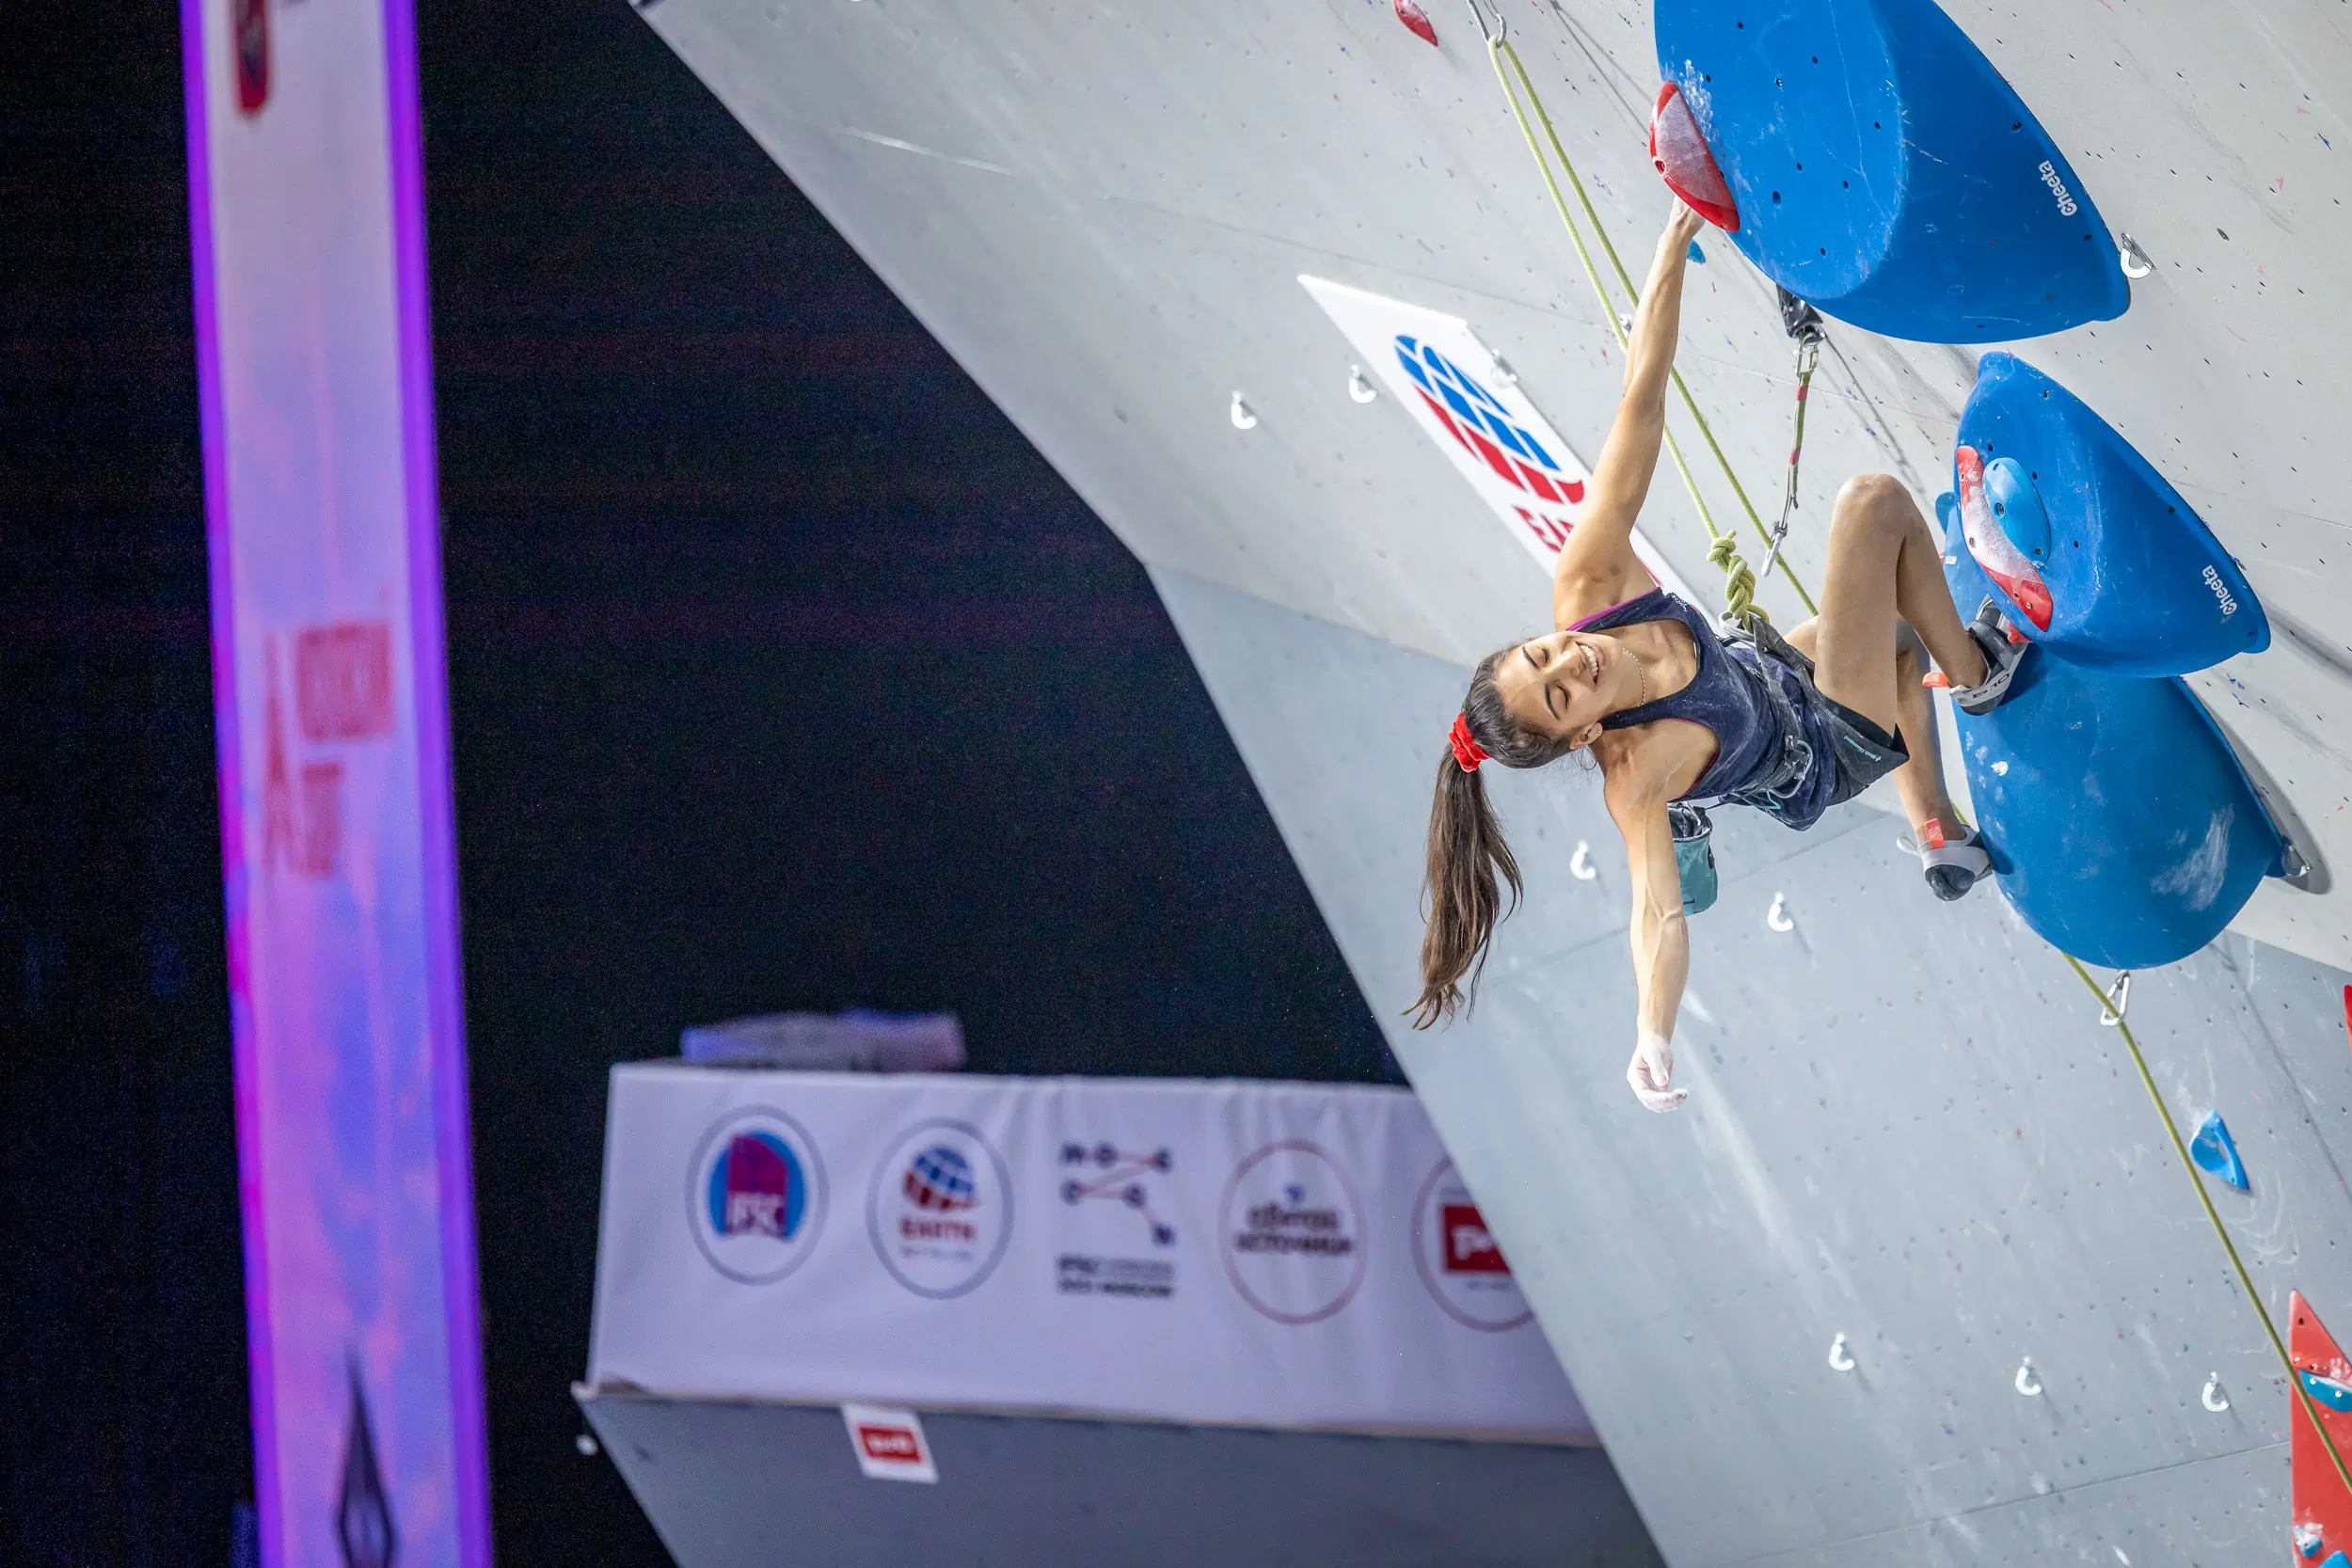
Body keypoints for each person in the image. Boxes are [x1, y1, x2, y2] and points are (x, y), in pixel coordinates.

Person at [1410, 199, 2028, 1112]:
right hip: (1817, 750)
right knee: (1873, 508)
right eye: (1561, 695)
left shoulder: (1589, 584)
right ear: (1580, 737)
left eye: (1544, 653)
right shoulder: (1634, 773)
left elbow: (1641, 401)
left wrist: (1671, 240)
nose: (1572, 663)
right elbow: (1656, 914)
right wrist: (1651, 1037)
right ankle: (1981, 674)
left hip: (1769, 676)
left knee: (1897, 638)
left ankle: (1936, 832)